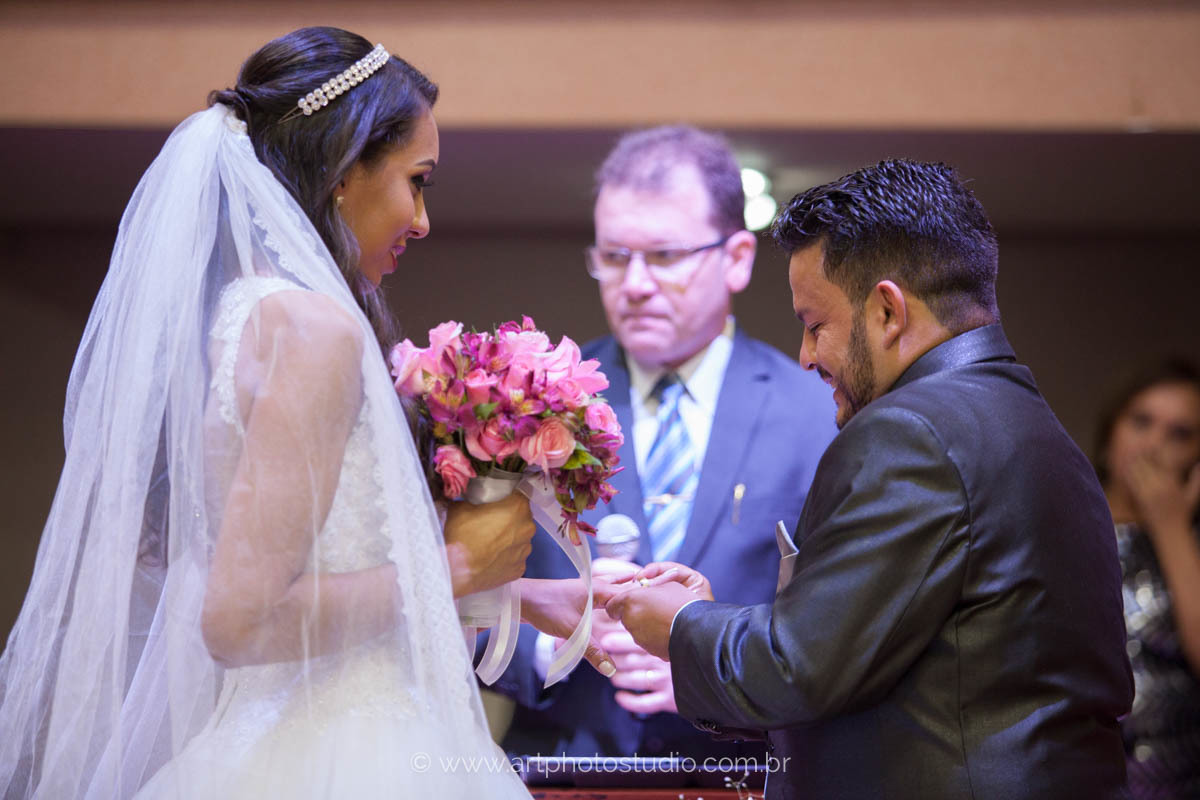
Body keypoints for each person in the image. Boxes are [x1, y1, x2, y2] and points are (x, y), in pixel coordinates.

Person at [0, 26, 603, 799]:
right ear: (344, 172)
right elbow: (243, 620)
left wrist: (517, 595)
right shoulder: (313, 329)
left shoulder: (246, 317)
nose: (422, 219)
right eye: (417, 180)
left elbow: (324, 581)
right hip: (345, 755)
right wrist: (454, 565)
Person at [603, 159, 1135, 799]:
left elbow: (796, 671)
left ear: (887, 310)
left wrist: (683, 624)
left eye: (813, 324)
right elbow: (872, 655)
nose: (805, 356)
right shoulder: (1026, 421)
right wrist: (719, 616)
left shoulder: (910, 432)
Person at [488, 126, 836, 767]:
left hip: (745, 775)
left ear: (735, 257)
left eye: (665, 256)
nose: (636, 284)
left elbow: (842, 631)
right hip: (562, 767)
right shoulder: (529, 403)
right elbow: (458, 604)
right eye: (615, 257)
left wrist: (726, 681)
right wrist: (551, 645)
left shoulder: (818, 408)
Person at [1093, 358, 1200, 798]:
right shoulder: (1061, 519)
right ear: (1109, 436)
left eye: (1179, 433)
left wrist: (1171, 527)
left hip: (1173, 779)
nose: (1154, 444)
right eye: (1142, 422)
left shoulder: (1190, 540)